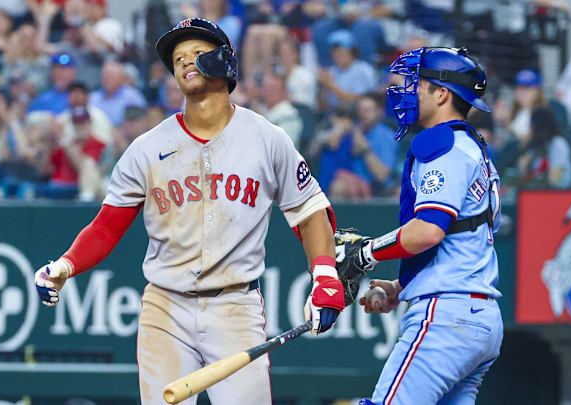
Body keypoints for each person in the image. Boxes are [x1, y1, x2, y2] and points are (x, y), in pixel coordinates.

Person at [33, 18, 343, 404]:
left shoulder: (267, 138)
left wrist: (325, 274)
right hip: (165, 305)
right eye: (178, 58)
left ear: (226, 61)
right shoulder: (147, 147)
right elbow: (107, 227)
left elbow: (309, 208)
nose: (184, 62)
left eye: (197, 53)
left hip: (235, 305)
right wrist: (66, 264)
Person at [340, 47, 503, 404]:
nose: (407, 91)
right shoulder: (473, 146)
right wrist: (402, 286)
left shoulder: (440, 142)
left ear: (442, 93)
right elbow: (462, 237)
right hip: (480, 318)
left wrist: (366, 253)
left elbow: (429, 230)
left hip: (446, 319)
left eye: (417, 84)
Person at [515, 106, 571, 189]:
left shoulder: (558, 144)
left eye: (531, 126)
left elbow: (555, 180)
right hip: (534, 192)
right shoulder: (535, 147)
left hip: (557, 194)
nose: (530, 131)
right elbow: (523, 177)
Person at [319, 29, 378, 108]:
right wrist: (324, 88)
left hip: (357, 116)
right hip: (335, 114)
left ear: (352, 52)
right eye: (335, 52)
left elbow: (358, 100)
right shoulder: (331, 71)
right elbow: (323, 107)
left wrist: (331, 86)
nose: (338, 56)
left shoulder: (364, 70)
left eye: (342, 52)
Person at [89, 60, 147, 126]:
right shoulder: (92, 98)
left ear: (122, 78)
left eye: (111, 76)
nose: (107, 78)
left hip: (126, 134)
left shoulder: (133, 96)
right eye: (105, 75)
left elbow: (141, 124)